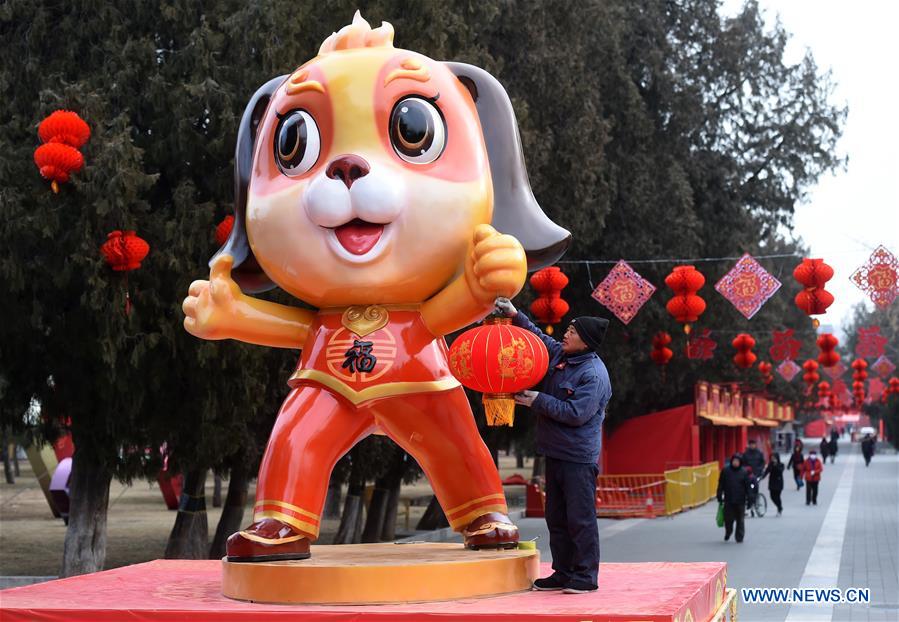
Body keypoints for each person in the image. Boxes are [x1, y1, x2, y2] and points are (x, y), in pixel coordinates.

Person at [495, 298, 611, 594]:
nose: (565, 334)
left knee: (580, 519)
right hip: (555, 452)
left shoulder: (593, 375)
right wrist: (514, 314)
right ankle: (563, 571)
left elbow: (576, 414)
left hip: (578, 458)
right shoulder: (562, 354)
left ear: (585, 342)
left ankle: (586, 576)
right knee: (557, 517)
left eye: (572, 332)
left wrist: (537, 399)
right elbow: (538, 337)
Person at [717, 453, 750, 542]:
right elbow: (721, 484)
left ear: (740, 462)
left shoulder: (744, 472)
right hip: (729, 499)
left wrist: (750, 498)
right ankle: (728, 532)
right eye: (734, 461)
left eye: (737, 461)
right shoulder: (725, 471)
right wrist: (719, 494)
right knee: (728, 519)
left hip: (740, 500)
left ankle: (739, 537)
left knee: (740, 520)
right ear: (731, 461)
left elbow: (748, 486)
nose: (735, 463)